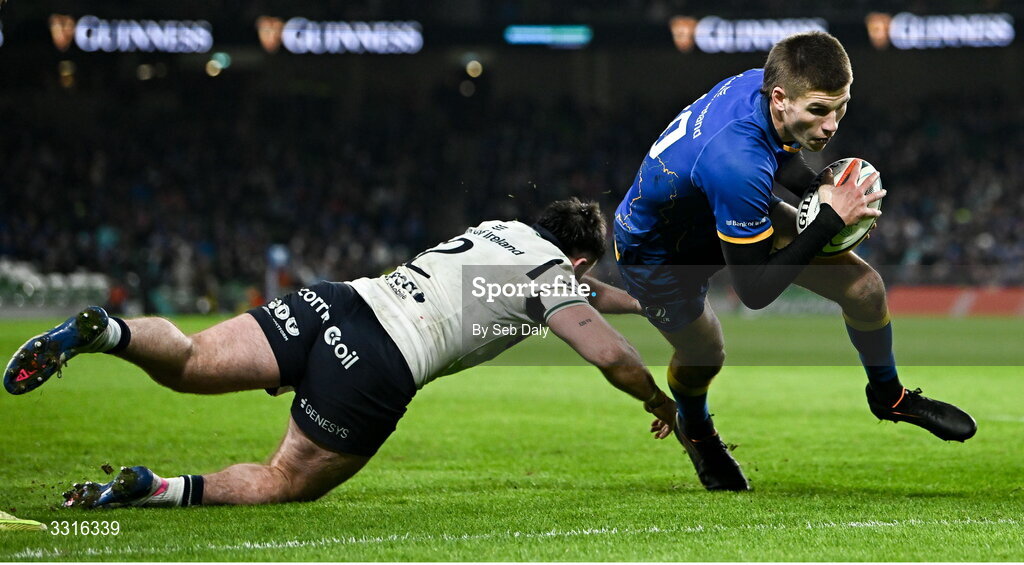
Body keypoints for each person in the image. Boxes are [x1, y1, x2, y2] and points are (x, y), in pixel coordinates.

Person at [5, 198, 677, 508]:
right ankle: (155, 489)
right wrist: (655, 396)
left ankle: (109, 332)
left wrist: (646, 302)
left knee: (186, 361)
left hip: (336, 302)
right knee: (286, 481)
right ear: (579, 258)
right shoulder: (549, 274)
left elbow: (584, 293)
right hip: (380, 362)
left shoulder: (499, 232)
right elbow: (606, 349)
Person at [613, 31, 976, 491]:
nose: (831, 125)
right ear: (781, 98)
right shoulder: (738, 163)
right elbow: (756, 291)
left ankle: (890, 396)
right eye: (820, 111)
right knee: (704, 353)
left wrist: (814, 190)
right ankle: (697, 429)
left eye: (841, 107)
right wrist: (827, 219)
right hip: (658, 253)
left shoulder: (762, 87)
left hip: (718, 204)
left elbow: (779, 155)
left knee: (865, 289)